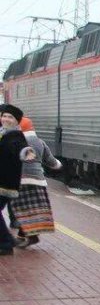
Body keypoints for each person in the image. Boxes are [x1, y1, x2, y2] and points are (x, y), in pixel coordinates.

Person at [10, 116, 63, 247]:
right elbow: (51, 162)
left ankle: (28, 236)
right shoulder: (40, 142)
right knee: (34, 208)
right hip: (38, 180)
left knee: (21, 209)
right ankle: (26, 236)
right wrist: (59, 165)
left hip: (19, 180)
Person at [0, 104, 34, 257]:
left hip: (6, 183)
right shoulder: (2, 133)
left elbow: (21, 148)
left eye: (10, 117)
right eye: (4, 116)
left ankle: (7, 243)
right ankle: (6, 242)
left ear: (17, 121)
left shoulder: (16, 136)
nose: (6, 119)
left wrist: (26, 153)